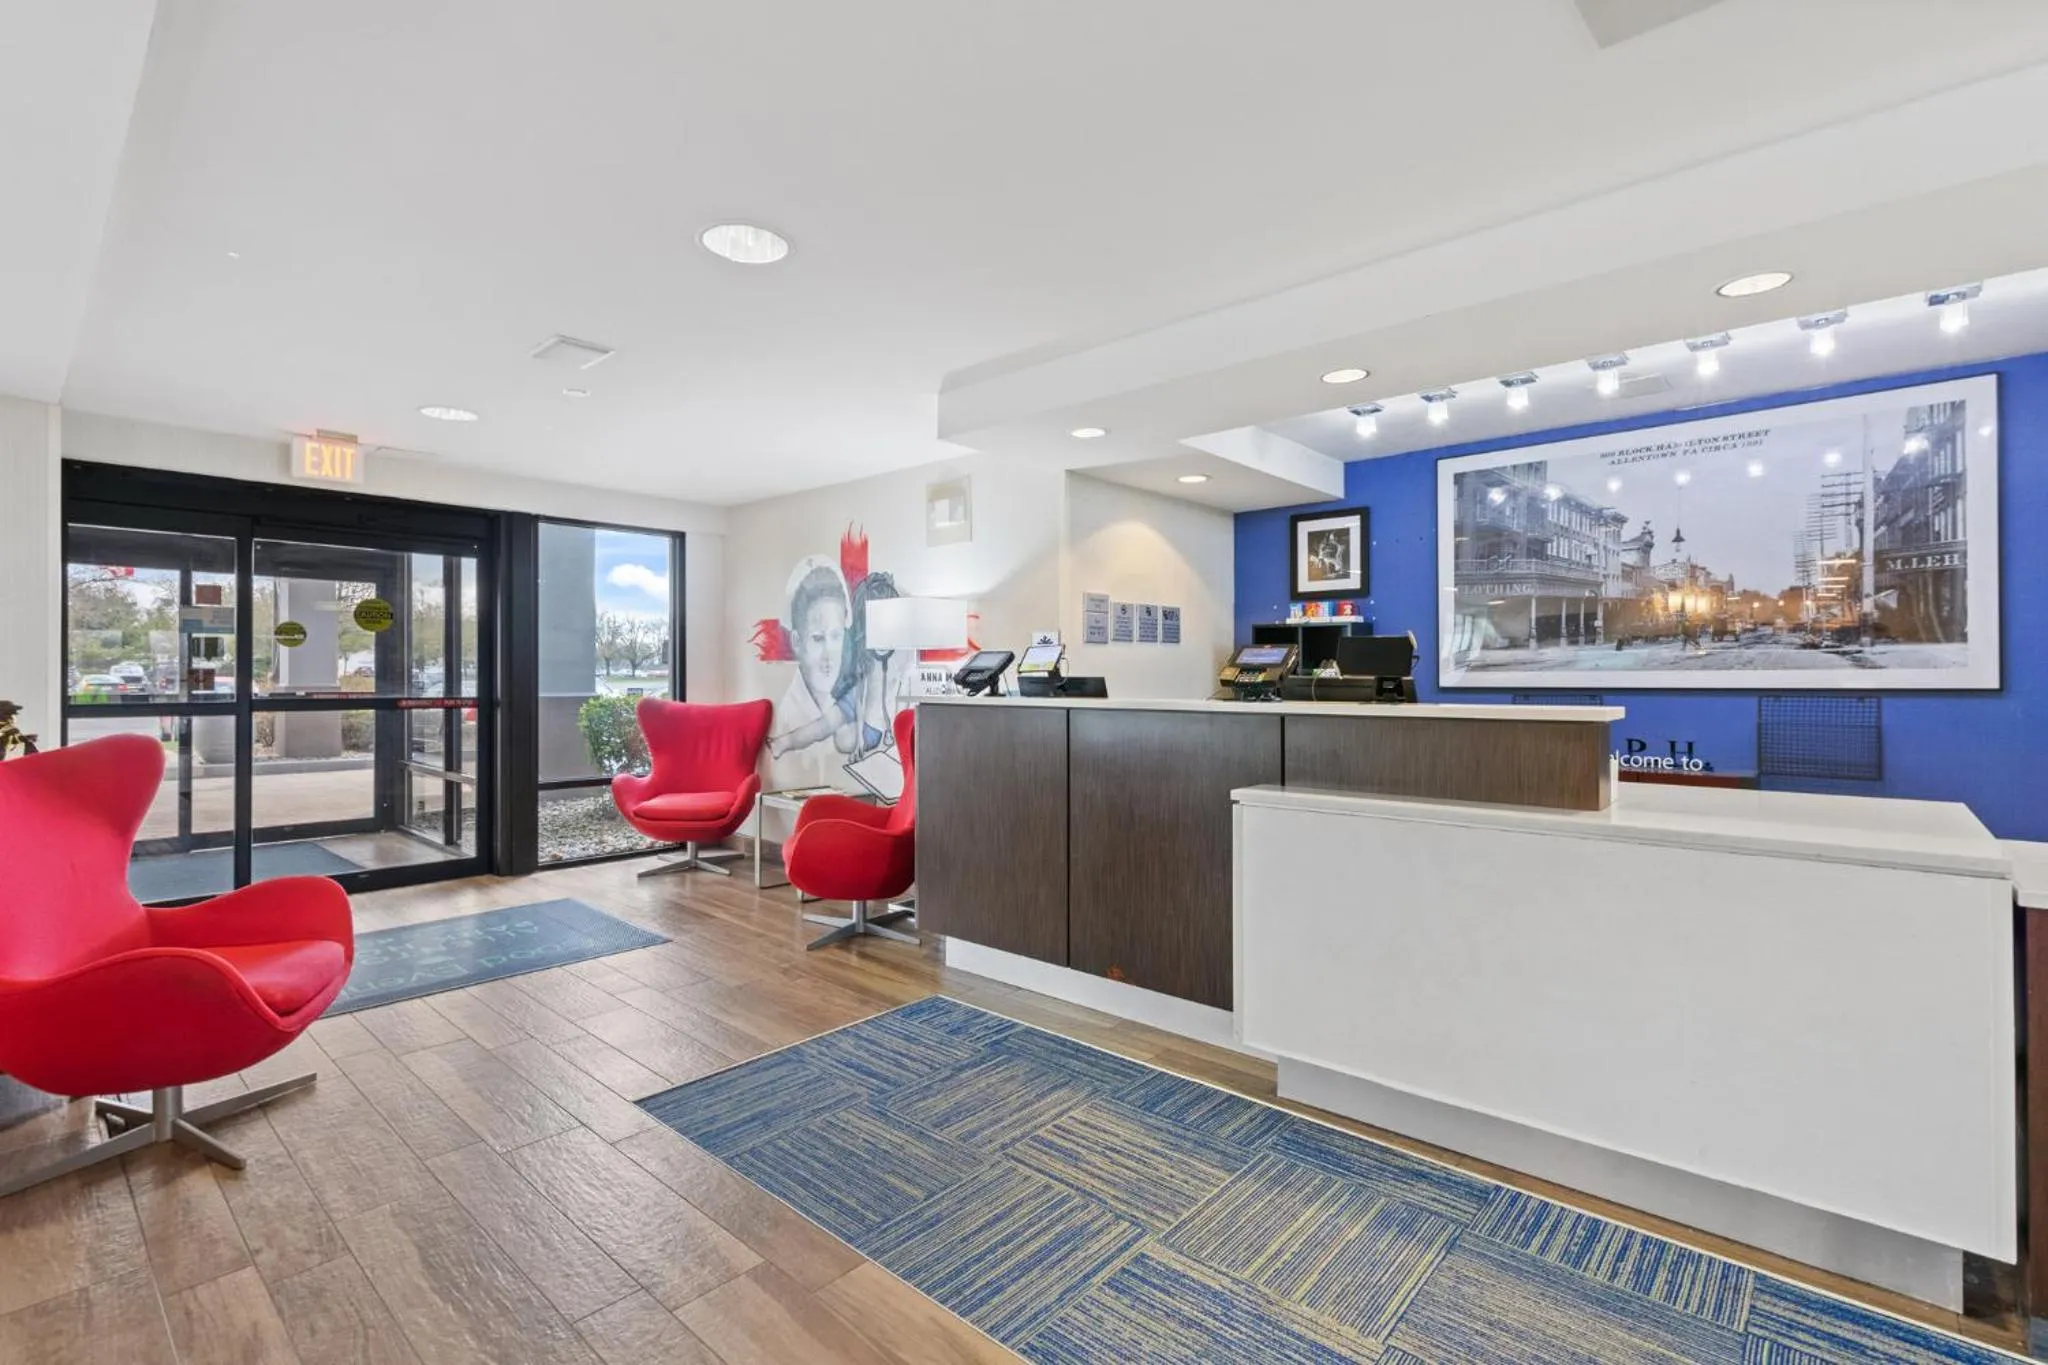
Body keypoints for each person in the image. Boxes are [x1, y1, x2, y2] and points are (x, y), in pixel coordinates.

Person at [768, 562, 850, 760]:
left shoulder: (847, 698)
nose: (828, 654)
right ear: (797, 641)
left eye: (836, 636)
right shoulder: (786, 716)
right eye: (817, 638)